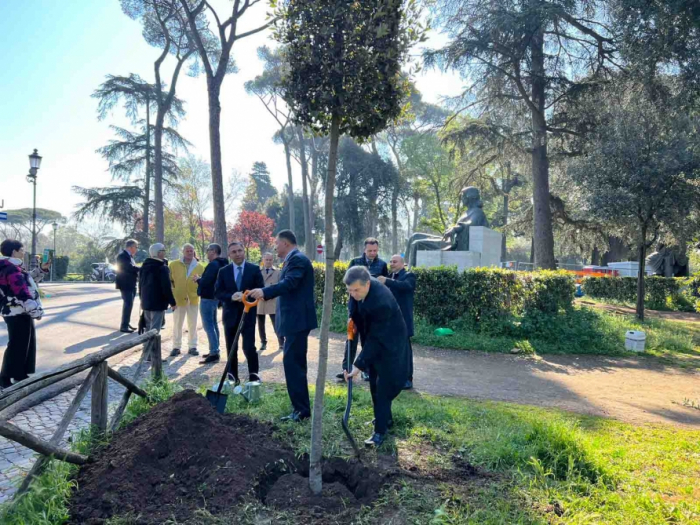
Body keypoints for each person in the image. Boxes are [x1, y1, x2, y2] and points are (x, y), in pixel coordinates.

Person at [249, 230, 317, 422]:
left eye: (277, 244)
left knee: (293, 365)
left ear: (286, 243)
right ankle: (299, 409)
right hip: (293, 321)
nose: (275, 247)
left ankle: (302, 411)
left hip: (297, 321)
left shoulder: (298, 259)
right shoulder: (292, 259)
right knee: (292, 365)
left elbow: (289, 284)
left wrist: (264, 291)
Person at [343, 265, 408, 447]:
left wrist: (357, 366)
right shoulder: (356, 289)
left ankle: (380, 433)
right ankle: (384, 419)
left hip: (390, 344)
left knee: (383, 388)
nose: (353, 294)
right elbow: (354, 310)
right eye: (350, 290)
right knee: (373, 383)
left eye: (356, 290)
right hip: (373, 338)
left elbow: (376, 338)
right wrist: (352, 320)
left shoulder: (382, 302)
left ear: (368, 284)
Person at [0, 240, 50, 388]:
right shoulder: (11, 268)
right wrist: (34, 310)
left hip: (17, 311)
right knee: (17, 345)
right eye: (21, 249)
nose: (23, 252)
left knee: (24, 344)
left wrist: (42, 270)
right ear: (14, 251)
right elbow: (21, 292)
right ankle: (5, 378)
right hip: (17, 311)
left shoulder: (11, 266)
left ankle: (19, 375)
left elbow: (27, 281)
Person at [215, 241, 264, 383]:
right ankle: (232, 377)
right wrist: (231, 296)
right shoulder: (223, 271)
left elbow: (261, 289)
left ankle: (254, 377)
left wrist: (247, 296)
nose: (237, 254)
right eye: (234, 252)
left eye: (240, 250)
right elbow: (218, 292)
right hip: (230, 315)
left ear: (244, 251)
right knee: (231, 348)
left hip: (248, 314)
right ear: (229, 255)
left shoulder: (254, 269)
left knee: (249, 347)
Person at [343, 238, 389, 381]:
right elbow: (348, 283)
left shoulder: (382, 264)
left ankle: (366, 370)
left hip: (371, 309)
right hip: (355, 308)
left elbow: (383, 288)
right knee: (351, 337)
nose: (372, 253)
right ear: (364, 250)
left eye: (375, 250)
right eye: (370, 250)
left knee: (368, 339)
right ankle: (346, 368)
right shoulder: (355, 262)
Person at [378, 254, 416, 390]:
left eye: (395, 262)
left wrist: (386, 281)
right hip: (390, 321)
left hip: (403, 322)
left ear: (402, 264)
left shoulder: (409, 276)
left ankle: (407, 379)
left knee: (404, 353)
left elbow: (405, 287)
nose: (392, 263)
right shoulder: (390, 276)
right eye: (390, 261)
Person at [194, 243, 229, 364]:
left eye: (208, 250)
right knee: (213, 324)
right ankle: (215, 349)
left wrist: (197, 279)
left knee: (208, 325)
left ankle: (214, 352)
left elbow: (206, 282)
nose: (207, 252)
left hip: (207, 297)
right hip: (215, 297)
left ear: (213, 251)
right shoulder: (222, 263)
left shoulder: (213, 265)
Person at [169, 244, 205, 357]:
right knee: (177, 324)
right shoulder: (174, 264)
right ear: (183, 251)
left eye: (191, 250)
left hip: (193, 298)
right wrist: (173, 293)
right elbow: (169, 280)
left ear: (193, 252)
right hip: (178, 299)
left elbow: (202, 282)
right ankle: (176, 346)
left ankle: (192, 346)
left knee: (193, 324)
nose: (189, 252)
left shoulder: (199, 266)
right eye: (187, 251)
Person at [138, 243, 177, 334]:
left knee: (148, 328)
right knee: (155, 330)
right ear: (158, 253)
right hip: (158, 303)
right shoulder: (162, 268)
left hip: (146, 301)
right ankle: (152, 348)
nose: (164, 253)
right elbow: (166, 287)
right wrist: (172, 302)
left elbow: (140, 285)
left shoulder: (144, 266)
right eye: (163, 251)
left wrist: (142, 299)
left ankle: (147, 347)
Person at [257, 252, 284, 351]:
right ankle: (263, 342)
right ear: (263, 260)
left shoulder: (278, 272)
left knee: (276, 322)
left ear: (273, 260)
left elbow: (280, 286)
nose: (268, 261)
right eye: (266, 259)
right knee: (260, 323)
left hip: (273, 300)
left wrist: (271, 294)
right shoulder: (258, 271)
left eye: (270, 260)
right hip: (260, 300)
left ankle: (281, 342)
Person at [115, 239, 139, 333]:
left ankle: (126, 322)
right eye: (136, 247)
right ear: (130, 247)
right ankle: (124, 326)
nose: (136, 249)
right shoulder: (122, 256)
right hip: (125, 284)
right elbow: (129, 268)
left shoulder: (130, 256)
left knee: (130, 304)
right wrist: (142, 268)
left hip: (131, 283)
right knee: (128, 304)